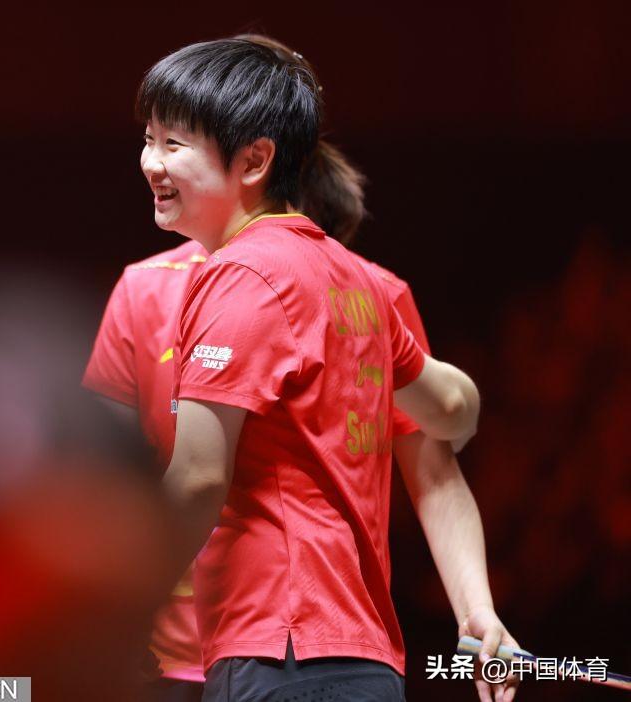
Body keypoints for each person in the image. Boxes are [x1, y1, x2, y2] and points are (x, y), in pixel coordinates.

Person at [121, 36, 510, 702]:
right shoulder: (362, 284)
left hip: (279, 648)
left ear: (254, 160)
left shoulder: (239, 275)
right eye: (148, 140)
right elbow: (447, 419)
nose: (151, 162)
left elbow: (198, 476)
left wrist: (123, 607)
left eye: (174, 144)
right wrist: (478, 610)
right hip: (365, 661)